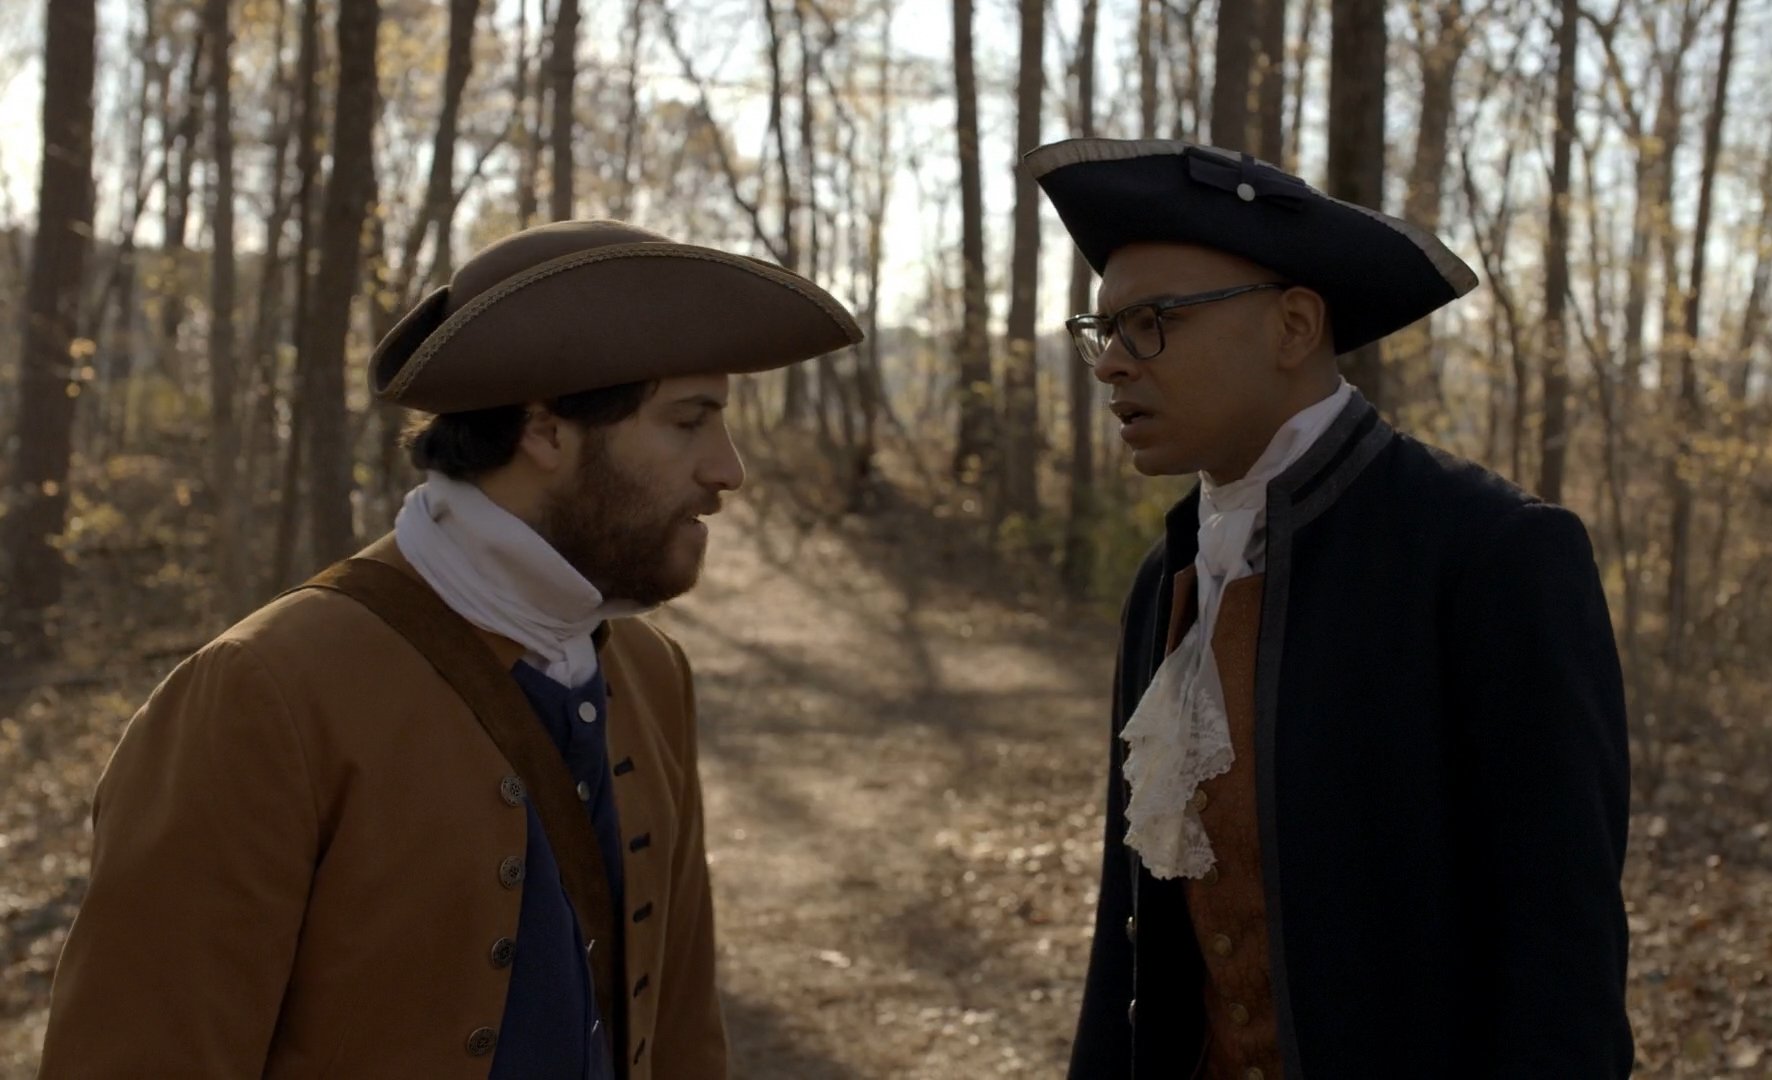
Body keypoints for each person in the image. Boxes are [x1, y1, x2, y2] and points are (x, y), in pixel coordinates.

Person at [37, 219, 863, 1079]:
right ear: (545, 430)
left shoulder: (651, 675)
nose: (727, 469)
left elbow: (681, 1036)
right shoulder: (264, 690)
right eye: (689, 422)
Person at [1027, 138, 1634, 1079]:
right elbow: (1130, 941)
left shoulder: (1490, 554)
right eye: (1102, 330)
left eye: (1150, 323)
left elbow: (1564, 963)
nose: (1110, 364)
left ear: (1294, 326)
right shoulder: (1168, 576)